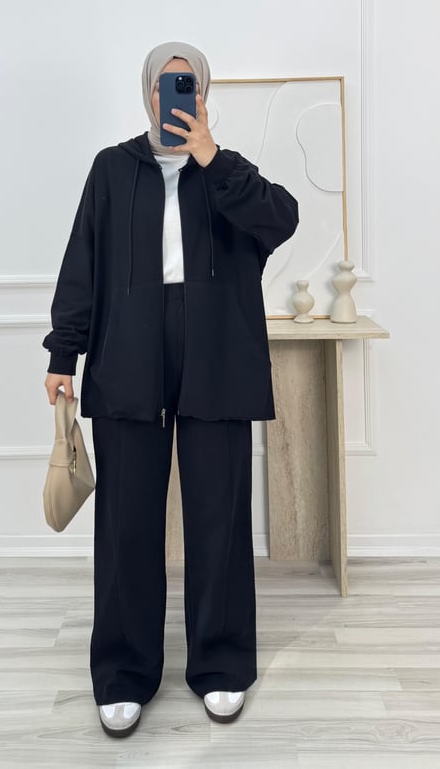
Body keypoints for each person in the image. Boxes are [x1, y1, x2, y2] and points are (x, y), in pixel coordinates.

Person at [43, 41, 299, 737]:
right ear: (147, 92)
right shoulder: (111, 168)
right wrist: (64, 350)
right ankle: (123, 673)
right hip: (128, 354)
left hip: (218, 354)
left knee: (220, 518)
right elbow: (82, 262)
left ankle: (222, 664)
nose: (173, 96)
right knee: (126, 521)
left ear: (203, 95)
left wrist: (211, 157)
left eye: (187, 84)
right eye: (164, 84)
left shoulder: (228, 172)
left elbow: (280, 221)